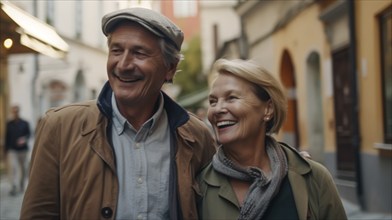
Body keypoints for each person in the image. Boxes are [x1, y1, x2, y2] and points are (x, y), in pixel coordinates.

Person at [20, 7, 216, 220]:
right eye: (116, 51)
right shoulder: (59, 127)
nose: (123, 65)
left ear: (170, 67)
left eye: (139, 53)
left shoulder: (197, 137)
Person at [197, 59, 347, 220]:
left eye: (231, 98)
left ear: (268, 109)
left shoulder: (312, 178)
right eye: (213, 101)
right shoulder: (198, 188)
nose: (217, 109)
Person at [5, 105, 31, 196]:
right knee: (13, 168)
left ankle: (21, 185)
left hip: (23, 150)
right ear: (12, 112)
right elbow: (7, 137)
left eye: (16, 111)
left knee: (23, 168)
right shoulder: (9, 124)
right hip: (13, 150)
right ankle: (13, 186)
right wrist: (6, 150)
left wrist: (24, 139)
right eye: (13, 112)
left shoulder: (25, 123)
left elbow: (29, 134)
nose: (15, 113)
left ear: (19, 112)